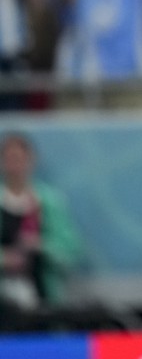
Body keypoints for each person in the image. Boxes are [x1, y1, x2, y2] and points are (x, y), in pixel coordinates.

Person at [0, 132, 81, 320]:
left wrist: (41, 245)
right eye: (10, 159)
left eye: (20, 158)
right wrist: (5, 258)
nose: (15, 165)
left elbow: (71, 250)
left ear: (31, 160)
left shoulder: (49, 202)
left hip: (43, 293)